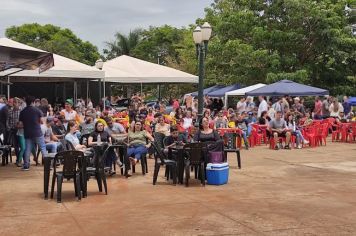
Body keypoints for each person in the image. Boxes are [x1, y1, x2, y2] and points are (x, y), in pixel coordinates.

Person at [19, 96, 47, 170]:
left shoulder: (22, 111)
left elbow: (20, 125)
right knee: (43, 148)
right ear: (33, 102)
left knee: (27, 149)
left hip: (27, 133)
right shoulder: (37, 110)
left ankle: (26, 165)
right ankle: (47, 165)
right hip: (37, 132)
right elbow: (41, 121)